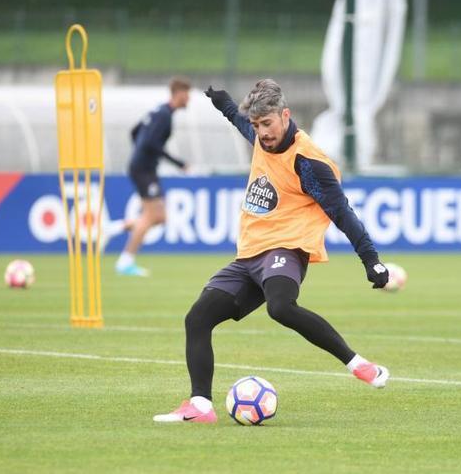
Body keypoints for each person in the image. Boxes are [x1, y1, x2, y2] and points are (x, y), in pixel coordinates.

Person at [154, 79, 394, 424]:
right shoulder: (260, 136)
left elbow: (342, 213)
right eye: (256, 125)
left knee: (280, 307)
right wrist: (221, 100)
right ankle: (201, 407)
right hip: (251, 253)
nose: (261, 132)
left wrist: (371, 261)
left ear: (285, 115)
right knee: (197, 318)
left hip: (287, 248)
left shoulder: (308, 162)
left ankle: (359, 365)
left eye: (267, 123)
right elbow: (239, 120)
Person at [116, 77, 191, 277]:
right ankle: (126, 261)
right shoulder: (164, 115)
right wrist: (178, 163)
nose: (188, 99)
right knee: (151, 216)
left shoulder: (158, 111)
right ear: (178, 94)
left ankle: (116, 227)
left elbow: (135, 132)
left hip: (143, 167)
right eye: (186, 94)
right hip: (144, 170)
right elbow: (151, 144)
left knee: (159, 217)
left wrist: (140, 155)